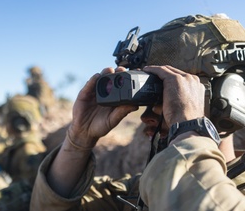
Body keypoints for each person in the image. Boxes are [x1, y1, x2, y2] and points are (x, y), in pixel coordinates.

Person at [30, 14, 245, 210]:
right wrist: (78, 139)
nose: (145, 117)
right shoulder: (143, 190)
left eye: (171, 94)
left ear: (231, 92)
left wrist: (189, 128)